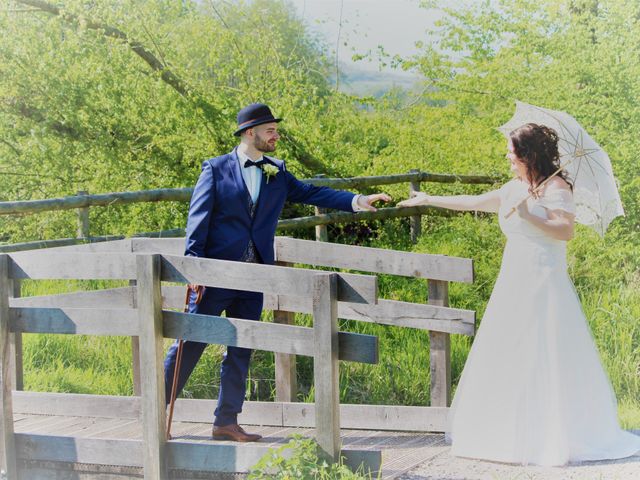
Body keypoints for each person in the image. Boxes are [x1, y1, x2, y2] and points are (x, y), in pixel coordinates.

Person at [398, 123, 640, 465]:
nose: (508, 157)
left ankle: (551, 436)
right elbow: (473, 202)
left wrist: (529, 215)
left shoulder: (556, 187)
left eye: (512, 153)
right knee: (509, 346)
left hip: (544, 278)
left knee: (543, 347)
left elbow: (566, 231)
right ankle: (505, 432)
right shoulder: (514, 188)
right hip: (514, 276)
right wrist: (429, 198)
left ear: (529, 155)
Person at [163, 103, 391, 442]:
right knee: (190, 343)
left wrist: (357, 200)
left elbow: (314, 192)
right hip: (214, 276)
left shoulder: (277, 172)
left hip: (256, 278)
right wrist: (195, 267)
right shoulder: (215, 169)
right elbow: (197, 222)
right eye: (270, 130)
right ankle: (154, 408)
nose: (276, 135)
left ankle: (226, 421)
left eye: (275, 130)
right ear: (250, 132)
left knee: (242, 348)